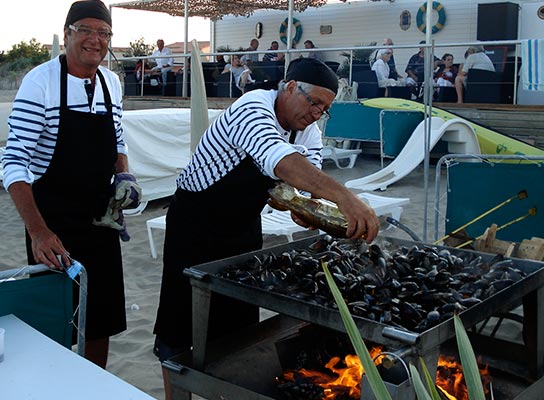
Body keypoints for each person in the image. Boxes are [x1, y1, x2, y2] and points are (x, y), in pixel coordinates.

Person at [152, 57, 379, 362]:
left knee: (237, 327)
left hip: (244, 227)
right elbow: (280, 160)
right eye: (314, 104)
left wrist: (303, 208)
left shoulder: (308, 129)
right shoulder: (252, 107)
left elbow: (303, 181)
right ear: (290, 87)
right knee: (180, 326)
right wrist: (346, 198)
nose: (317, 114)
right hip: (195, 226)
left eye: (324, 109)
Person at [0, 0, 141, 368]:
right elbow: (13, 163)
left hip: (102, 222)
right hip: (54, 225)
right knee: (57, 322)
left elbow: (117, 139)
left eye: (104, 33)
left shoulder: (112, 83)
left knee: (100, 322)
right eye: (86, 31)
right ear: (67, 36)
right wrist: (38, 232)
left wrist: (123, 173)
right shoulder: (40, 82)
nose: (95, 40)